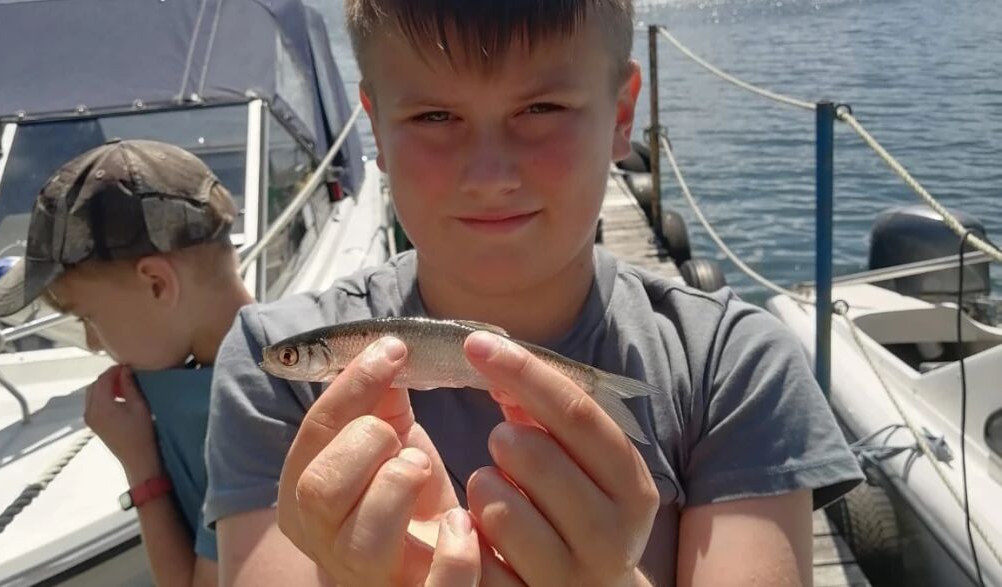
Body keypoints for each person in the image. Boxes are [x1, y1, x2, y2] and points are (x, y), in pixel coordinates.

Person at [203, 1, 865, 585]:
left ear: (620, 114)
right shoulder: (271, 370)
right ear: (376, 127)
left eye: (540, 108)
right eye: (435, 115)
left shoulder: (735, 367)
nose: (489, 175)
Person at [0, 139, 253, 587]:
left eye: (87, 317)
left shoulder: (242, 414)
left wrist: (141, 467)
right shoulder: (261, 365)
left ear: (157, 284)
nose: (91, 342)